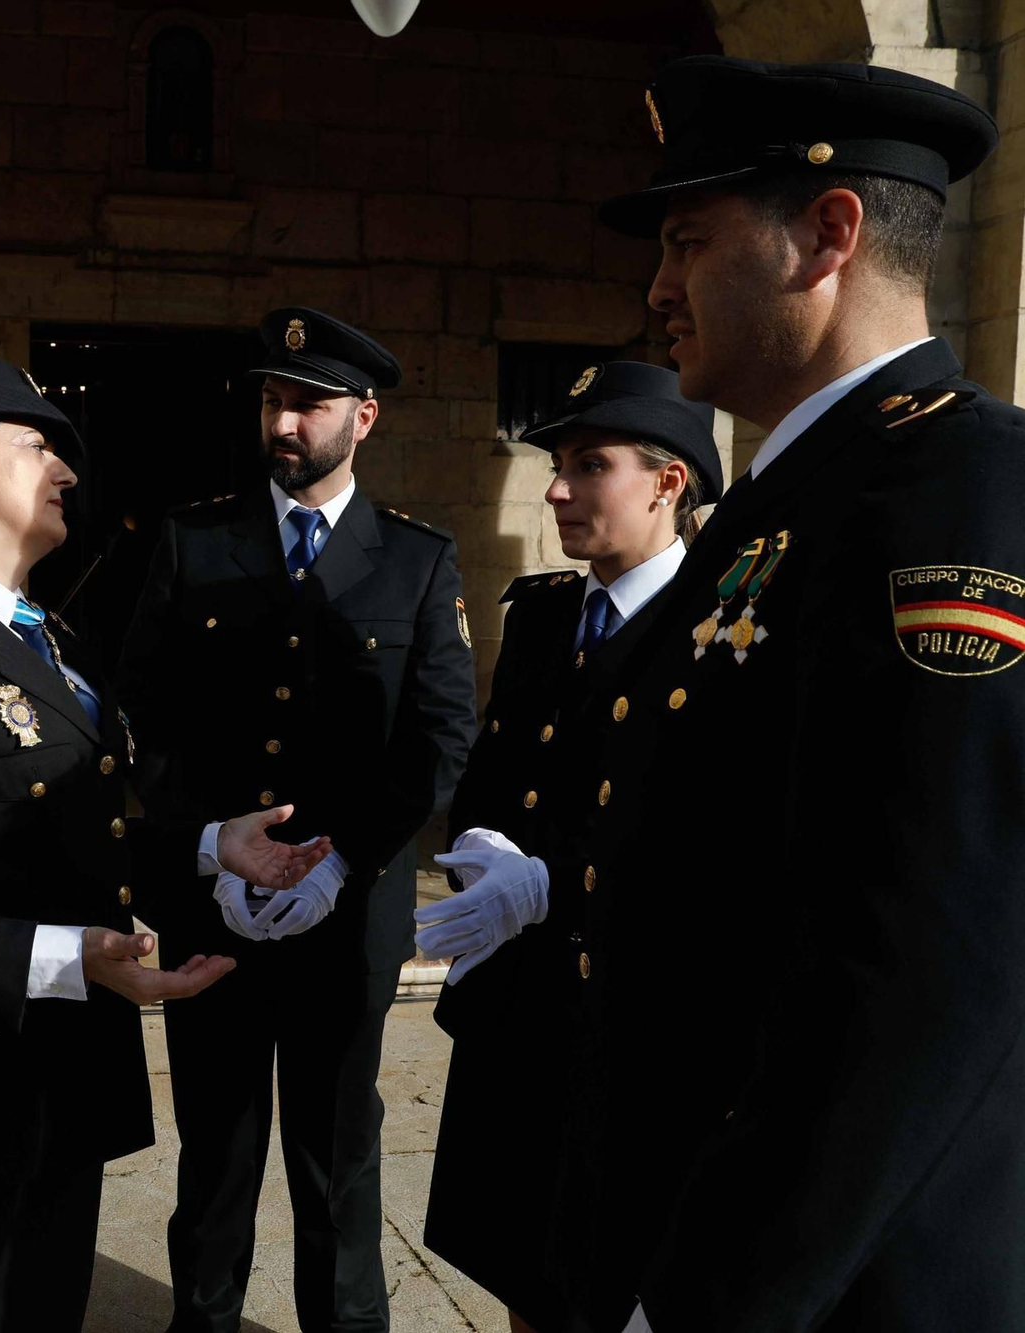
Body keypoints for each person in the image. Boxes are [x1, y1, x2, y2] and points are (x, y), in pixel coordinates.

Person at [414, 56, 1024, 1333]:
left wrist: (708, 1300)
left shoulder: (952, 493)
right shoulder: (779, 507)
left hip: (819, 1283)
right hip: (666, 1221)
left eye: (687, 241)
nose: (655, 287)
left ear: (828, 234)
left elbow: (918, 969)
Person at [0, 355, 330, 1333]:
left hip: (55, 1094)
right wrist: (64, 955)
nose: (67, 472)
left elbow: (90, 826)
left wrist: (212, 846)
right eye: (39, 447)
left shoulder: (54, 643)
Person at [116, 308, 480, 1333]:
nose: (283, 420)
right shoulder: (193, 541)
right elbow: (141, 709)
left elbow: (437, 737)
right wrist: (212, 848)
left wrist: (342, 864)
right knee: (216, 1156)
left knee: (337, 1164)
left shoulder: (415, 560)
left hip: (344, 918)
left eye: (307, 402)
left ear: (360, 417)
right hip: (215, 914)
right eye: (273, 398)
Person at [414, 363, 720, 1333]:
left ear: (667, 481)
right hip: (522, 1020)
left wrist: (549, 880)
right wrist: (481, 845)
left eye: (588, 465)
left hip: (635, 1031)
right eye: (557, 464)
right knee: (525, 1276)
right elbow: (489, 775)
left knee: (621, 1280)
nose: (554, 488)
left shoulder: (722, 630)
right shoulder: (544, 612)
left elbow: (713, 841)